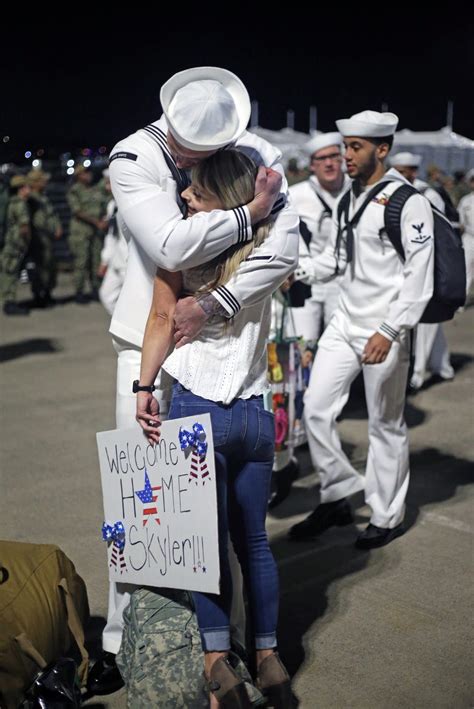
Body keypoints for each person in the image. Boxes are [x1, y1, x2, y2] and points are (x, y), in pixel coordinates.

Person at [87, 66, 299, 696]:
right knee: (154, 516)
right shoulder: (135, 155)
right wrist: (251, 212)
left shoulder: (248, 153)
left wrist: (215, 302)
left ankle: (216, 652)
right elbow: (176, 243)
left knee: (190, 526)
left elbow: (275, 247)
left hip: (185, 365)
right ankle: (128, 641)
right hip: (186, 366)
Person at [136, 148, 291, 709]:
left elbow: (159, 319)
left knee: (204, 545)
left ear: (217, 202)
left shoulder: (178, 247)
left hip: (196, 408)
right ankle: (270, 657)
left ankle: (217, 665)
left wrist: (143, 388)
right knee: (255, 542)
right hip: (253, 408)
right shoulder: (267, 241)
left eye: (195, 191)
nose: (183, 197)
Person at [288, 111, 434, 549]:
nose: (346, 156)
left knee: (385, 424)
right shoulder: (350, 197)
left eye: (355, 147)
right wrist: (294, 270)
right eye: (345, 146)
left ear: (381, 149)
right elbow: (336, 261)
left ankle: (387, 515)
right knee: (314, 408)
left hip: (383, 329)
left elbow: (419, 276)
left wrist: (389, 331)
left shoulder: (410, 202)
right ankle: (337, 492)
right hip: (345, 323)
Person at [390, 152, 455, 391]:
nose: (396, 174)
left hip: (432, 266)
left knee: (426, 322)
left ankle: (417, 374)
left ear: (413, 172)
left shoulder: (428, 195)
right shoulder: (396, 191)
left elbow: (437, 236)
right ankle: (443, 366)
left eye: (402, 171)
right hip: (407, 267)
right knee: (431, 324)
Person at [288, 132, 351, 343]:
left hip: (344, 281)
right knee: (303, 342)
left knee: (340, 342)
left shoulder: (356, 190)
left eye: (334, 156)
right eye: (321, 159)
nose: (329, 164)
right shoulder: (295, 194)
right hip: (306, 280)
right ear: (312, 165)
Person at [67, 165, 108, 303]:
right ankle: (79, 291)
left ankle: (95, 289)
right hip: (81, 233)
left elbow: (103, 204)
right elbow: (77, 211)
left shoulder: (95, 189)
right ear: (79, 175)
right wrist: (96, 222)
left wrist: (103, 219)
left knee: (95, 261)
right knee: (81, 263)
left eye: (89, 172)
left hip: (95, 233)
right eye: (85, 173)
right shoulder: (74, 191)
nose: (89, 175)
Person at [27, 169, 63, 306]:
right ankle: (38, 295)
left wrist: (57, 227)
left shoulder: (43, 197)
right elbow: (37, 220)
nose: (45, 182)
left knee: (50, 266)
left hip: (48, 237)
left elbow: (51, 215)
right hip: (39, 237)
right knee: (40, 267)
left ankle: (47, 292)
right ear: (35, 182)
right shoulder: (32, 199)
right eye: (42, 180)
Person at [0, 175, 31, 315]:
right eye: (27, 187)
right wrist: (26, 241)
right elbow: (24, 226)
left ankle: (9, 301)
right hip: (14, 244)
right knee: (10, 274)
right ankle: (9, 303)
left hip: (11, 242)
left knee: (9, 273)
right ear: (21, 188)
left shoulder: (12, 202)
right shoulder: (20, 204)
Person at [458, 168, 474, 301]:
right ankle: (462, 299)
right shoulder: (466, 200)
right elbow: (461, 222)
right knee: (466, 269)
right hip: (470, 238)